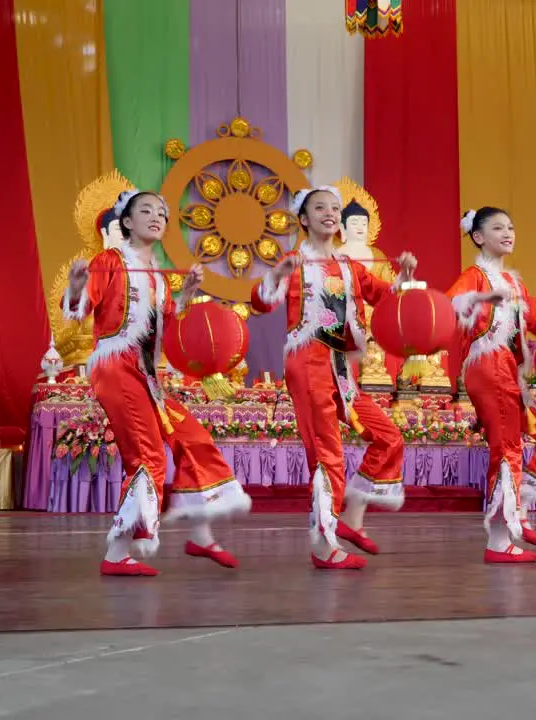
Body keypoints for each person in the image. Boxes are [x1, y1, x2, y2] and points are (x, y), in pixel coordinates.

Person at [64, 190, 251, 577]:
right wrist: (78, 285)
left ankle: (200, 535)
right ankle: (117, 553)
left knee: (191, 437)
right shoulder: (110, 260)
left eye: (162, 213)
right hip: (116, 366)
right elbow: (80, 311)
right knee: (147, 457)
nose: (155, 217)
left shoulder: (161, 276)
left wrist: (186, 294)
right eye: (145, 210)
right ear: (127, 222)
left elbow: (168, 325)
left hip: (147, 372)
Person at [250, 186, 414, 570]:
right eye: (320, 207)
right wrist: (276, 274)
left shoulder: (349, 266)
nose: (330, 213)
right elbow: (260, 303)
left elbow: (386, 299)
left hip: (341, 370)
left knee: (388, 437)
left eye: (335, 208)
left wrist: (405, 276)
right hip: (307, 364)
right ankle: (324, 545)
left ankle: (351, 518)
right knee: (327, 454)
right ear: (303, 219)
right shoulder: (294, 261)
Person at [446, 208, 536, 564]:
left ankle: (518, 506)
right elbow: (451, 305)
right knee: (506, 447)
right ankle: (500, 540)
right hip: (485, 365)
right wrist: (482, 299)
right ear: (478, 237)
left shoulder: (514, 283)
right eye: (498, 227)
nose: (508, 233)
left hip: (510, 370)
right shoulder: (474, 276)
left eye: (510, 226)